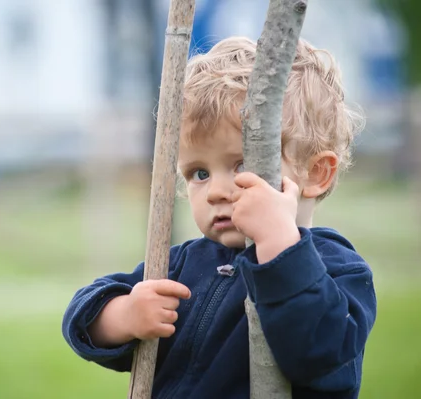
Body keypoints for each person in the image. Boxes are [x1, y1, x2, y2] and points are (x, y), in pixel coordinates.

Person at [62, 37, 377, 399]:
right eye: (199, 173)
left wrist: (278, 243)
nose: (215, 191)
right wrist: (124, 315)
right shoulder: (183, 264)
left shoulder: (339, 269)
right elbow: (82, 315)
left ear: (316, 173)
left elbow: (321, 355)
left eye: (241, 165)